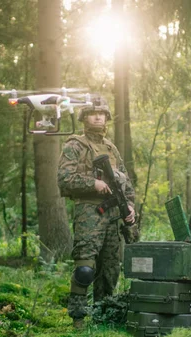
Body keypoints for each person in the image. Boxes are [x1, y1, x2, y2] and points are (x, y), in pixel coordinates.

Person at [57, 94, 138, 328]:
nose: (98, 118)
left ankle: (104, 316)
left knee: (110, 269)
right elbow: (63, 178)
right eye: (93, 113)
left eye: (102, 114)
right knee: (85, 268)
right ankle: (78, 318)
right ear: (84, 117)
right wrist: (93, 184)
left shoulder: (111, 148)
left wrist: (130, 205)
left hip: (113, 216)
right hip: (89, 213)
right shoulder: (75, 145)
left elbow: (126, 181)